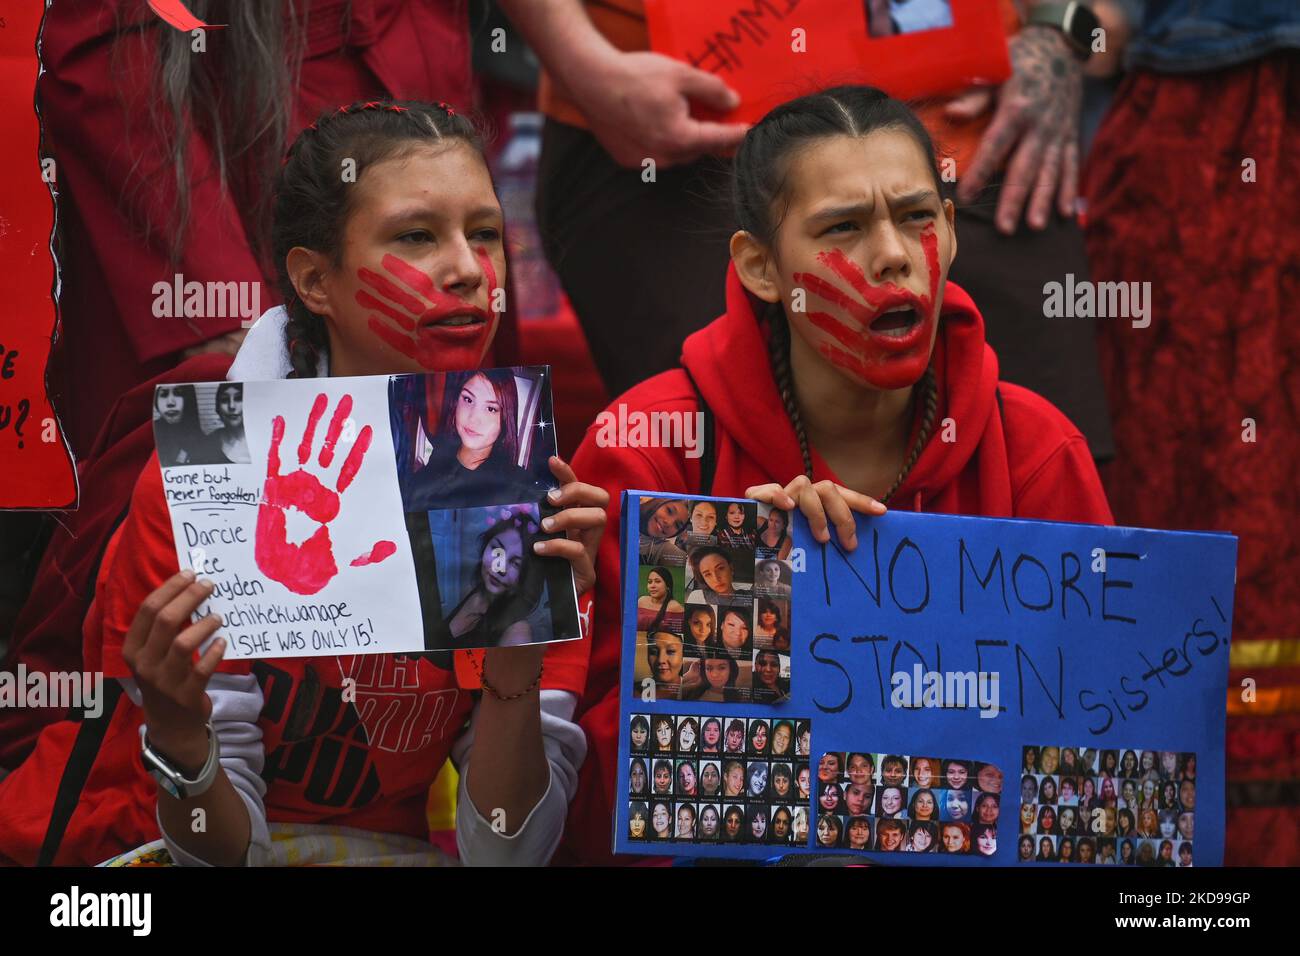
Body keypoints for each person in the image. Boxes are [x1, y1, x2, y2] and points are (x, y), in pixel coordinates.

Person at [42, 101, 608, 868]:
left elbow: (508, 855)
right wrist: (179, 733)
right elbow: (218, 855)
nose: (469, 270)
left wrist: (516, 667)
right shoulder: (206, 480)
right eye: (416, 235)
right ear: (314, 279)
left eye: (484, 234)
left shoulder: (528, 495)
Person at [561, 87, 1111, 863]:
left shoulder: (1036, 450)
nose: (891, 253)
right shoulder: (652, 446)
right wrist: (747, 601)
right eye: (843, 227)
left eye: (919, 216)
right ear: (760, 266)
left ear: (951, 233)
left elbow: (1093, 759)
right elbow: (569, 803)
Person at [400, 370, 547, 511]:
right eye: (468, 399)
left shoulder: (522, 486)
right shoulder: (435, 464)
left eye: (491, 409)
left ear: (505, 419)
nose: (474, 418)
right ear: (455, 403)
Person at [442, 511, 547, 648]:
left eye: (515, 563)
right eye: (497, 550)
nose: (500, 567)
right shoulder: (475, 592)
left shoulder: (517, 633)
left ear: (526, 575)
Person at [152, 385, 205, 467]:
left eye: (178, 393)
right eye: (164, 394)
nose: (170, 403)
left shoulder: (201, 440)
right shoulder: (150, 433)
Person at [684, 547, 751, 606]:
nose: (716, 579)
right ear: (703, 579)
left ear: (731, 568)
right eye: (708, 574)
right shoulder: (698, 596)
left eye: (720, 568)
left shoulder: (750, 596)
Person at [638, 497, 689, 565]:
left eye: (677, 525)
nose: (669, 523)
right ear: (659, 501)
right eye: (669, 511)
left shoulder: (666, 550)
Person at [207, 383, 250, 464]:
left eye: (238, 398)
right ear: (218, 407)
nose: (231, 406)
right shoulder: (208, 441)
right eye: (224, 399)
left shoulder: (264, 439)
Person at [636, 567, 685, 636]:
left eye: (657, 581)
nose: (652, 586)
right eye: (650, 582)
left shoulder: (675, 607)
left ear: (667, 585)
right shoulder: (641, 601)